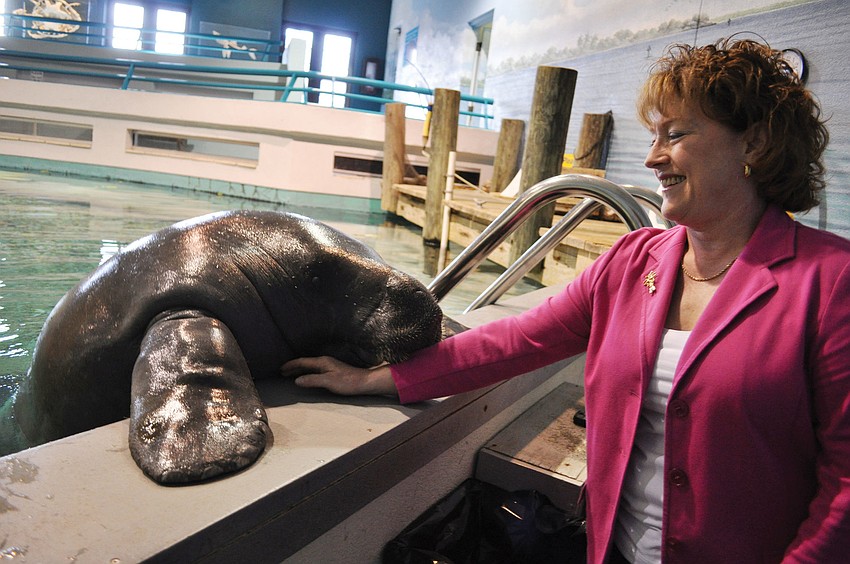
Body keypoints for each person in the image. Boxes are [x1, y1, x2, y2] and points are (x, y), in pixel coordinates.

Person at [281, 38, 850, 563]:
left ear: (754, 141)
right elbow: (515, 339)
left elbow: (844, 485)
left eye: (675, 136)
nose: (653, 158)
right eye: (653, 137)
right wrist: (381, 378)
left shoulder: (829, 283)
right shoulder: (631, 263)